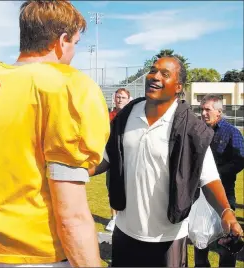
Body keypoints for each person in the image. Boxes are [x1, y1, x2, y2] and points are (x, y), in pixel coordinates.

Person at [0, 1, 110, 267]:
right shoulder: (63, 85)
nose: (73, 52)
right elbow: (72, 215)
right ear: (62, 41)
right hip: (40, 253)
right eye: (74, 42)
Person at [89, 56, 243, 267]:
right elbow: (106, 159)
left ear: (178, 87)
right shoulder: (126, 115)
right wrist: (73, 170)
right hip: (125, 232)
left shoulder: (191, 128)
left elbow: (208, 178)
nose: (155, 77)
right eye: (153, 71)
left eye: (165, 74)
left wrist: (226, 212)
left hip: (168, 238)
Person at [194, 94, 244, 267]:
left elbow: (239, 161)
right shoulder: (198, 132)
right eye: (201, 109)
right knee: (201, 241)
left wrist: (212, 176)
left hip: (224, 194)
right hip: (199, 196)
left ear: (219, 112)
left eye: (208, 109)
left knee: (226, 243)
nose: (203, 113)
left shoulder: (232, 133)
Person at [106, 88, 131, 232]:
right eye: (118, 97)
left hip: (129, 157)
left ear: (128, 99)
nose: (120, 99)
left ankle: (129, 217)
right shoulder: (108, 116)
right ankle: (114, 218)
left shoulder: (132, 115)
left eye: (123, 97)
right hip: (112, 157)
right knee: (112, 187)